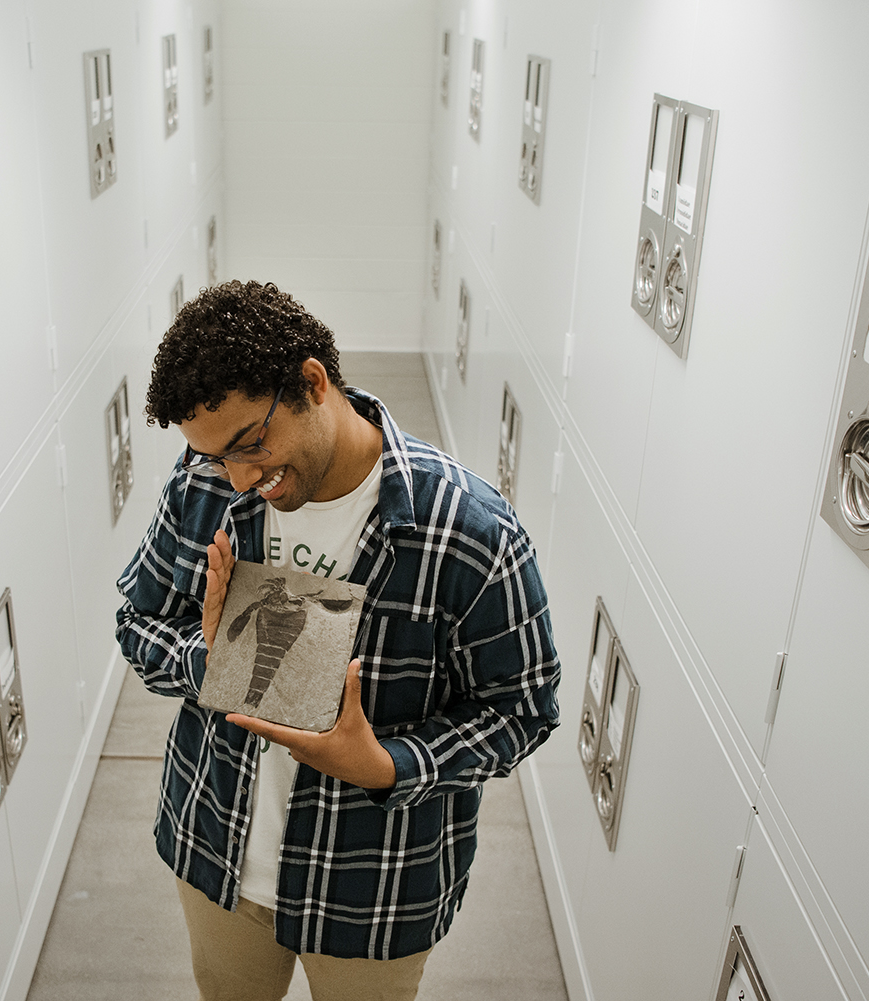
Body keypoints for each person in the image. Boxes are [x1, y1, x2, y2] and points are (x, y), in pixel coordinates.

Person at [115, 280, 560, 1001]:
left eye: (250, 444)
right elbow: (136, 621)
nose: (241, 477)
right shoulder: (207, 485)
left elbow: (523, 709)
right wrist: (212, 658)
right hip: (216, 852)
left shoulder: (471, 533)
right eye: (216, 456)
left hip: (374, 892)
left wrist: (387, 764)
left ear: (312, 383)